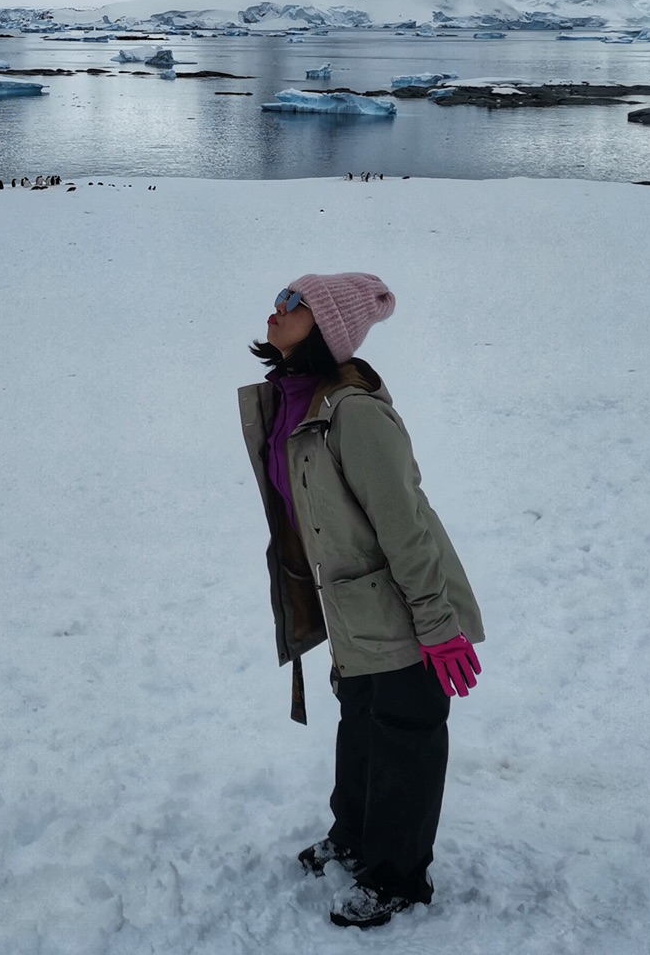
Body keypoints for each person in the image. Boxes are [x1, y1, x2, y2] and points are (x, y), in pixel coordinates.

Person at [236, 273, 485, 929]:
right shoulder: (293, 399)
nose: (278, 307)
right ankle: (353, 838)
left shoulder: (354, 414)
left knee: (405, 734)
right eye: (282, 297)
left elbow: (405, 526)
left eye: (295, 304)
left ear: (325, 328)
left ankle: (397, 877)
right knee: (362, 721)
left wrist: (437, 625)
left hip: (404, 606)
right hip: (352, 606)